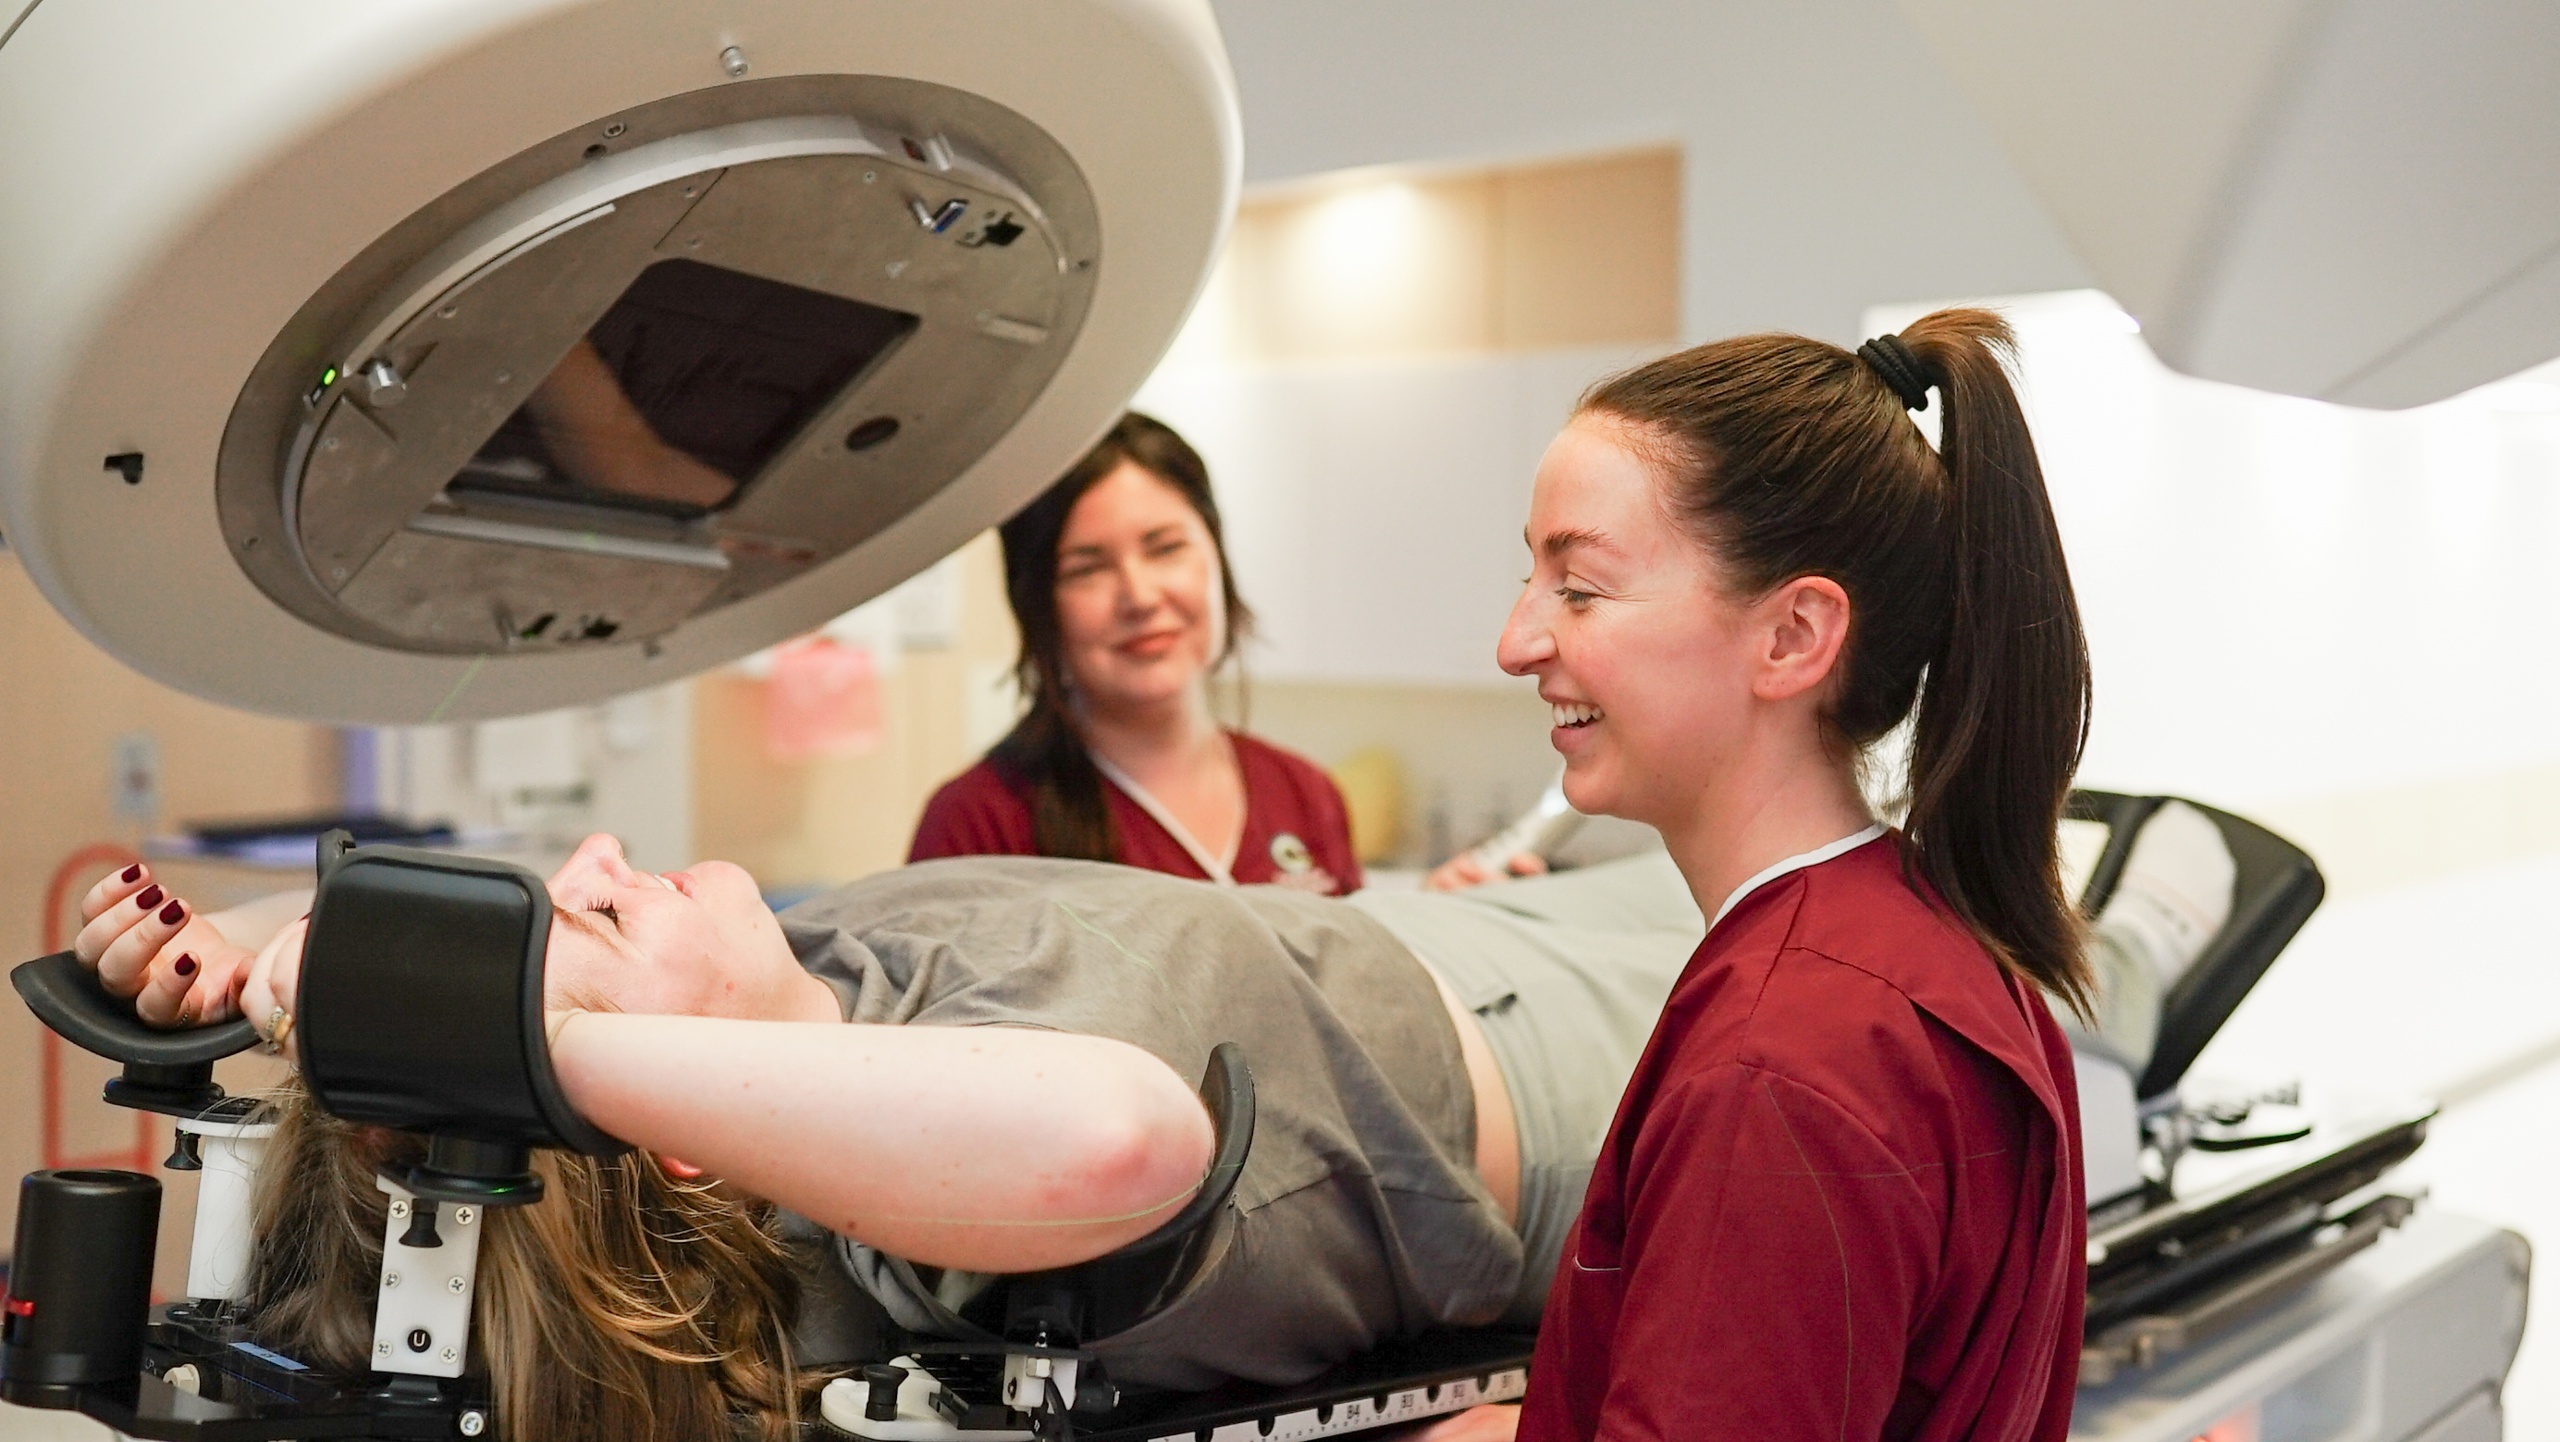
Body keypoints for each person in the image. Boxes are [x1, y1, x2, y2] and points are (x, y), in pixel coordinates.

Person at [69, 832, 1705, 1440]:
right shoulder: (927, 1207)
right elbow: (1121, 1139)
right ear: (650, 1096)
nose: (600, 852)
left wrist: (245, 940)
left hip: (1480, 924)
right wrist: (541, 1040)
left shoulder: (800, 981)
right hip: (1580, 1062)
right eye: (581, 928)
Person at [1453, 310, 2094, 1442]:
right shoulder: (1935, 951)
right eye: (1528, 577)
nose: (1517, 640)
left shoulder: (1782, 1061)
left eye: (1581, 587)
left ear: (1793, 634)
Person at [909, 413, 1362, 893]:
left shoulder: (1304, 793)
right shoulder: (979, 823)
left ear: (1217, 557)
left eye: (1166, 548)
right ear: (1038, 604)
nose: (1140, 597)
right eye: (1088, 569)